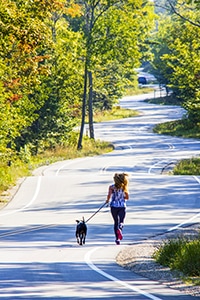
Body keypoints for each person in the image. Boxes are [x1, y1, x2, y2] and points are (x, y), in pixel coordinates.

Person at [106, 173, 129, 245]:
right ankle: (120, 227)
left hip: (113, 206)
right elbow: (127, 197)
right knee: (121, 221)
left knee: (116, 221)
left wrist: (107, 201)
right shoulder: (124, 188)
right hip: (122, 206)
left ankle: (117, 239)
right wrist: (122, 198)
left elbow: (109, 196)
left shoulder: (111, 187)